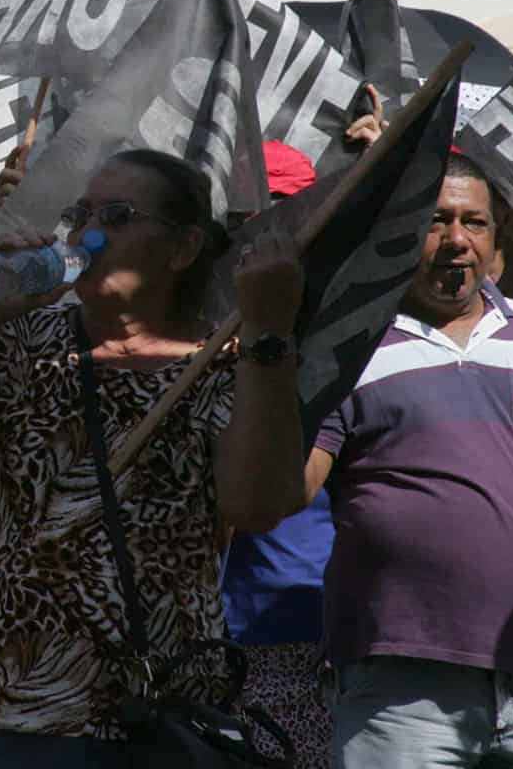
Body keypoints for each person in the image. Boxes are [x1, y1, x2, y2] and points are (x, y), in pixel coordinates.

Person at [0, 148, 310, 764]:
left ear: (181, 250)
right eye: (82, 214)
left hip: (147, 720)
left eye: (119, 216)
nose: (89, 234)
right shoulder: (23, 342)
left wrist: (267, 334)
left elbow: (257, 505)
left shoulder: (226, 364)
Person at [307, 153, 513, 768]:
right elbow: (286, 491)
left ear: (494, 238)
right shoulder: (350, 347)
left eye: (475, 223)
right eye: (436, 221)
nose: (457, 240)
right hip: (400, 690)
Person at [220, 141, 333, 769]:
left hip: (294, 619)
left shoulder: (342, 331)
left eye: (282, 219)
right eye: (243, 222)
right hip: (193, 627)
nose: (260, 240)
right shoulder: (183, 329)